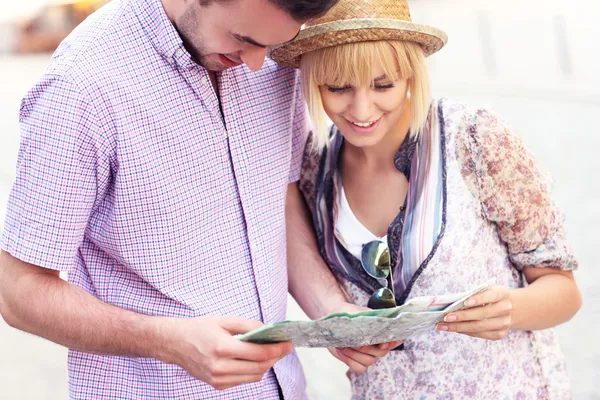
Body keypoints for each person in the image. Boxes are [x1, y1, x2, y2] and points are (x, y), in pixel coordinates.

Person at [0, 0, 401, 398]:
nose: (259, 64)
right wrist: (167, 339)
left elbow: (276, 196)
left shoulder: (274, 53)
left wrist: (329, 310)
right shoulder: (83, 85)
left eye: (274, 44)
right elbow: (18, 292)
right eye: (242, 40)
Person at [270, 0, 583, 397]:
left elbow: (565, 292)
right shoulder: (315, 168)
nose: (361, 109)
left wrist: (510, 309)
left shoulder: (473, 139)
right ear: (313, 83)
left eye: (383, 85)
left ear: (411, 76)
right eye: (338, 87)